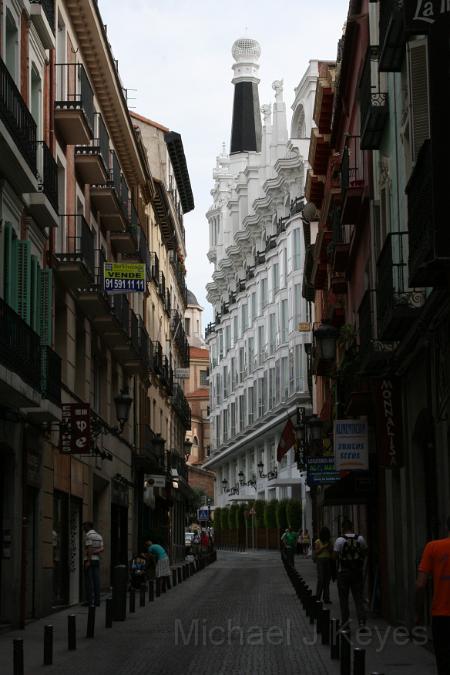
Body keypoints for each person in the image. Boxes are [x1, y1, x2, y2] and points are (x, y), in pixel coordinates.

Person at [416, 516, 450, 675]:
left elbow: (421, 584)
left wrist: (419, 614)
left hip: (441, 615)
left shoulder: (433, 547)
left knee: (443, 660)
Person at [334, 519, 367, 629]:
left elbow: (335, 557)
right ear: (352, 527)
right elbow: (365, 552)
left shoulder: (339, 541)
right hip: (357, 572)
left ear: (342, 528)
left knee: (344, 599)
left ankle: (345, 624)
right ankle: (362, 623)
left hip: (343, 573)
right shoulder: (360, 539)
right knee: (358, 598)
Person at [83, 521, 104, 607]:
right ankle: (97, 601)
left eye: (84, 526)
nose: (83, 528)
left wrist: (88, 560)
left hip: (89, 559)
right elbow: (102, 548)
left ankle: (90, 601)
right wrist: (96, 552)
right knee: (96, 581)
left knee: (89, 581)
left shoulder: (88, 535)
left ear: (88, 526)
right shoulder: (99, 536)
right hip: (97, 560)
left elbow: (89, 548)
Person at [314, 526, 333, 604]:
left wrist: (329, 547)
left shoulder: (329, 541)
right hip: (320, 561)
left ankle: (326, 598)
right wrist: (323, 547)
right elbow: (316, 553)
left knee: (327, 580)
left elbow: (331, 551)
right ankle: (317, 597)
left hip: (328, 560)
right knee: (321, 579)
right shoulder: (318, 541)